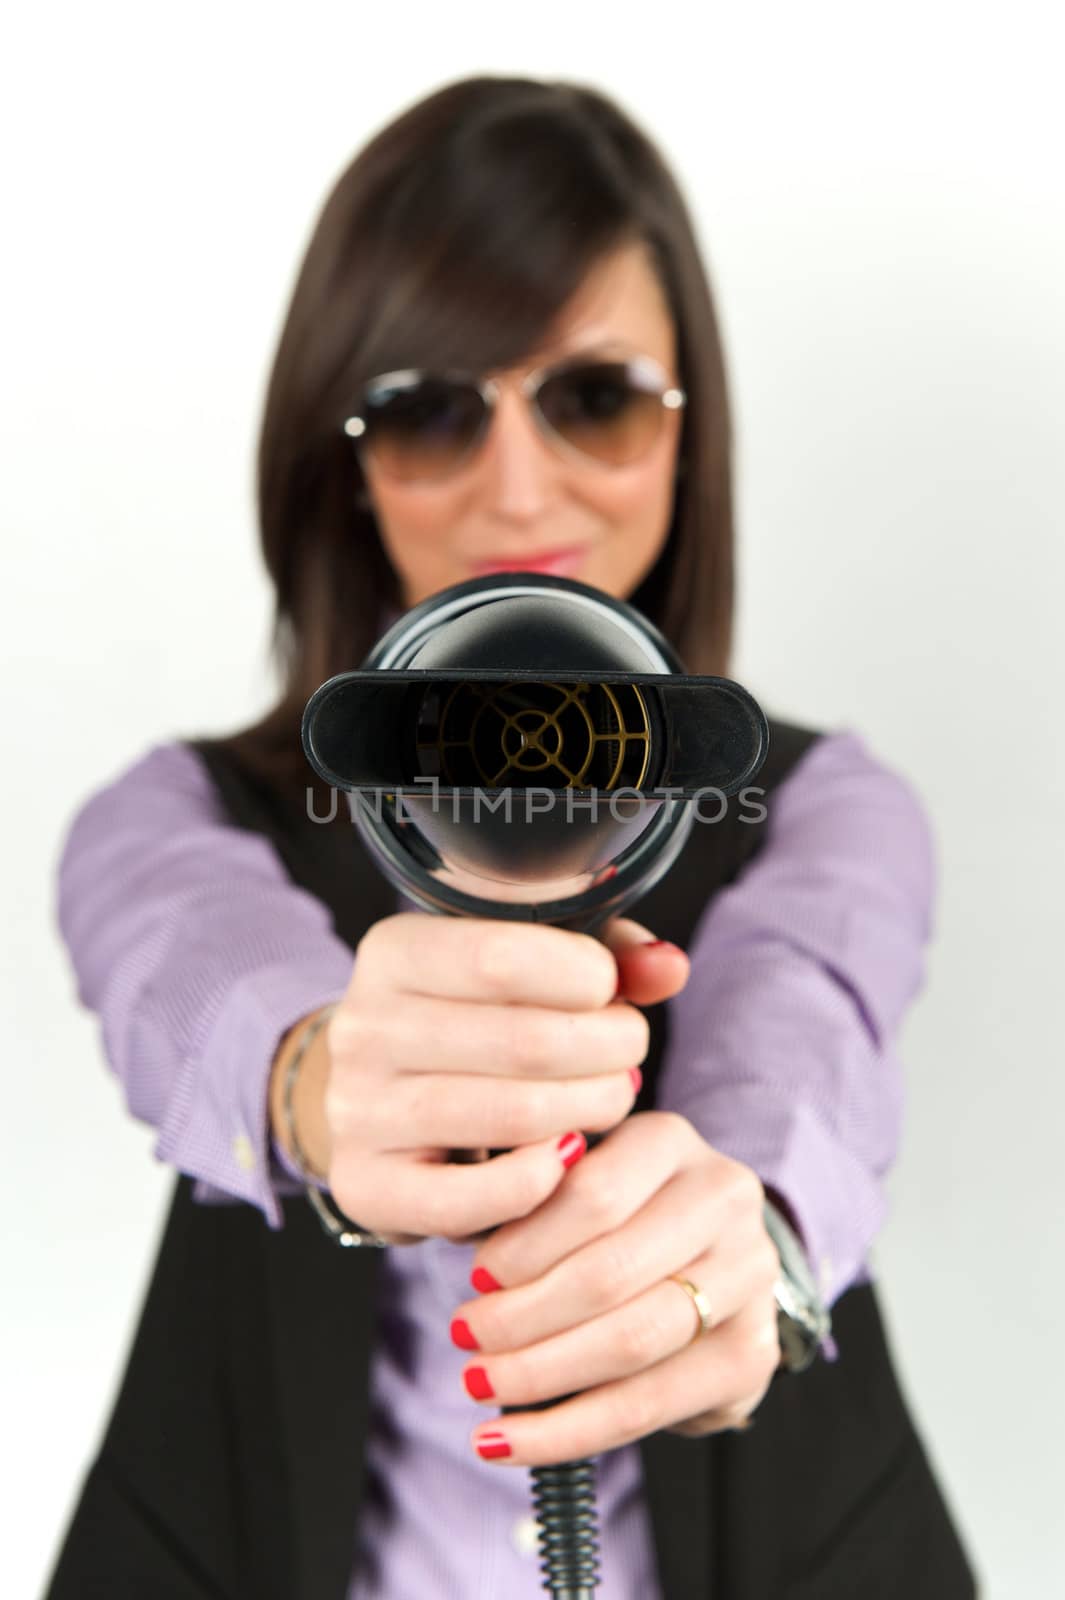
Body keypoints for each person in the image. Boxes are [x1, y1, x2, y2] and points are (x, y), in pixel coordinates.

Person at [47, 74, 978, 1599]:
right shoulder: (171, 815)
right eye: (426, 410)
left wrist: (744, 1232)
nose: (519, 485)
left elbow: (805, 1010)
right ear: (341, 459)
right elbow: (184, 956)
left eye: (593, 396)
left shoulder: (826, 804)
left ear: (691, 432)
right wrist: (315, 1077)